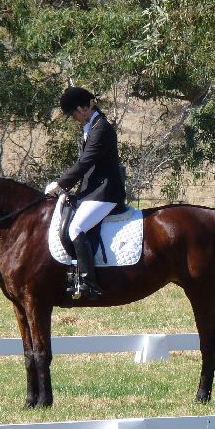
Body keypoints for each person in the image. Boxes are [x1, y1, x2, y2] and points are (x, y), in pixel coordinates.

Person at [45, 86, 126, 299]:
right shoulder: (92, 126)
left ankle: (89, 284)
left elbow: (85, 162)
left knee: (76, 228)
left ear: (84, 108)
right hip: (93, 191)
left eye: (73, 114)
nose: (74, 119)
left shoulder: (102, 128)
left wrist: (61, 184)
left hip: (105, 193)